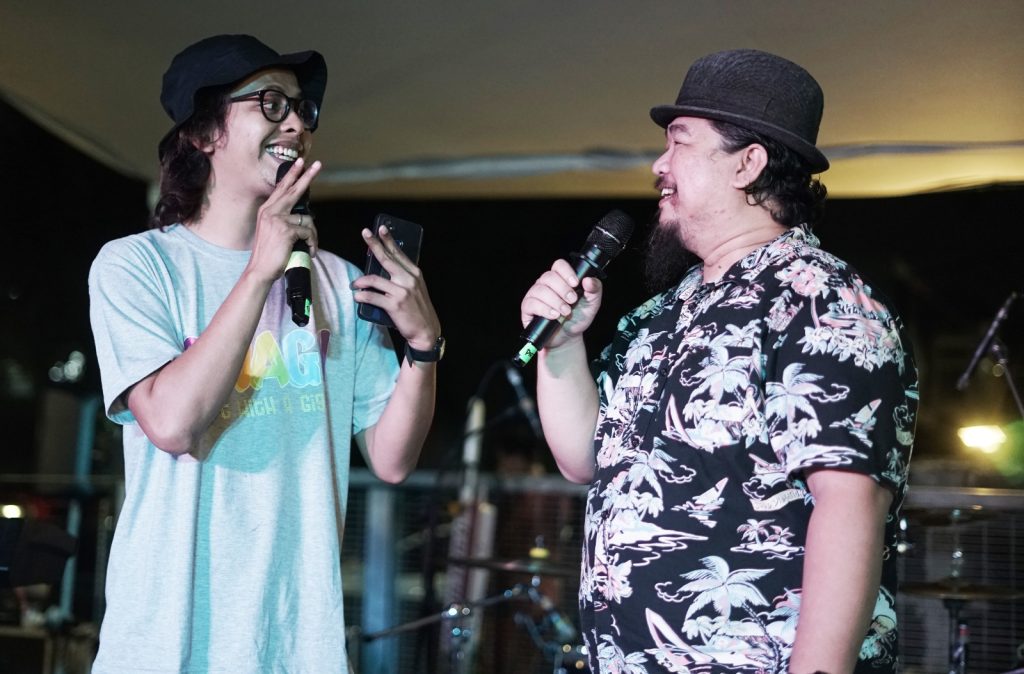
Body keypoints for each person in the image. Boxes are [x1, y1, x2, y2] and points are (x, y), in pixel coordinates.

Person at [519, 49, 917, 673]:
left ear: (747, 164)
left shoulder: (822, 302)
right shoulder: (661, 314)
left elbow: (850, 506)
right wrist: (563, 345)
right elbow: (583, 459)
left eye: (679, 142)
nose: (659, 166)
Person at [88, 34, 443, 673]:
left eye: (303, 110)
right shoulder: (137, 266)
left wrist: (423, 346)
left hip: (296, 644)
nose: (297, 125)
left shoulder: (337, 280)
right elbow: (171, 424)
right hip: (169, 644)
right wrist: (258, 272)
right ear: (205, 132)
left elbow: (392, 459)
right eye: (271, 104)